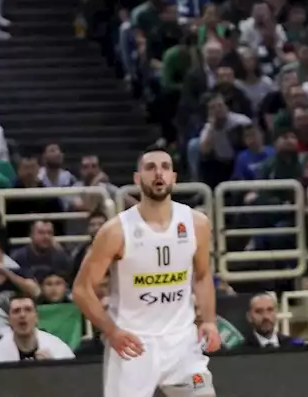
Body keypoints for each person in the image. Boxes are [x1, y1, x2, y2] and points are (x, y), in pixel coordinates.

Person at [72, 148, 222, 397]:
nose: (158, 173)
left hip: (181, 343)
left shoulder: (197, 223)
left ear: (173, 177)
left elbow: (203, 275)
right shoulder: (116, 231)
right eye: (150, 167)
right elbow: (81, 289)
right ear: (137, 178)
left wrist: (208, 320)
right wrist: (112, 331)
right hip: (133, 344)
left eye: (164, 167)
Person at [0, 294, 77, 363]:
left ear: (36, 318)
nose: (22, 315)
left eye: (28, 310)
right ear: (9, 321)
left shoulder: (57, 348)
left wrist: (52, 368)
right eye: (16, 311)